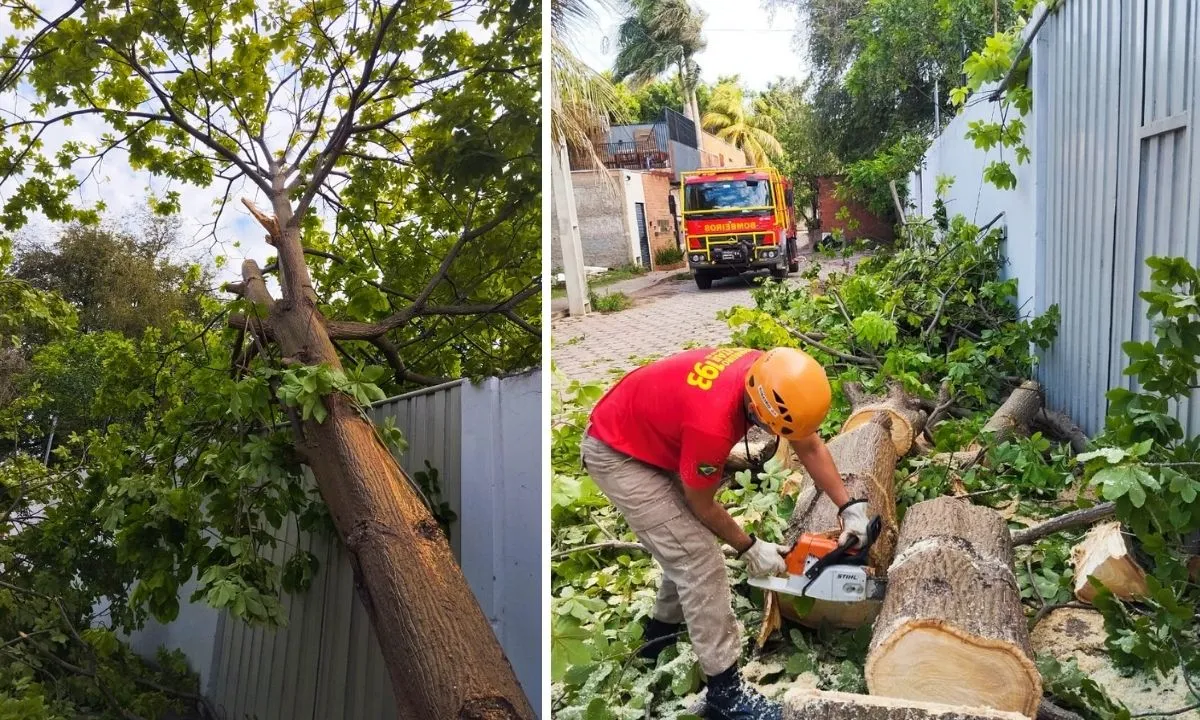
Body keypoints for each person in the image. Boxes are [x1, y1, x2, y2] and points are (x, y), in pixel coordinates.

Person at [581, 346, 869, 720]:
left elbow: (809, 443)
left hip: (647, 428)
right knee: (698, 558)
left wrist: (849, 507)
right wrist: (749, 547)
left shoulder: (771, 373)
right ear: (759, 413)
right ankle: (725, 693)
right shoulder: (711, 424)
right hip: (618, 452)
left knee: (680, 542)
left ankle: (656, 640)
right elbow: (702, 507)